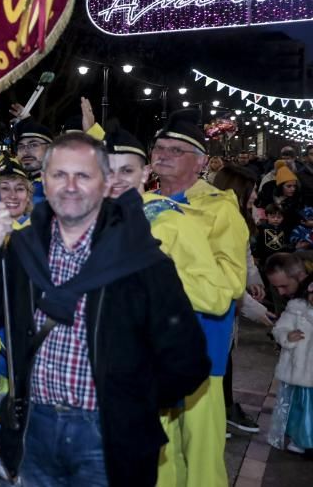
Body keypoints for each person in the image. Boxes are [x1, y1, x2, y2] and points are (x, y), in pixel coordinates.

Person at [0, 131, 210, 486]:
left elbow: (188, 360)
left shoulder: (141, 259)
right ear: (44, 183)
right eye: (59, 175)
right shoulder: (24, 248)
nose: (70, 186)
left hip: (108, 435)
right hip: (35, 427)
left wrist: (132, 403)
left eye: (83, 175)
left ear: (106, 182)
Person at [104, 126, 237, 486]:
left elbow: (223, 290)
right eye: (159, 147)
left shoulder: (200, 212)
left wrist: (156, 272)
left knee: (199, 455)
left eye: (176, 150)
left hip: (197, 344)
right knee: (156, 457)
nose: (164, 154)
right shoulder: (105, 218)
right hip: (133, 359)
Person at [269, 279, 313, 455]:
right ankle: (302, 441)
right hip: (299, 371)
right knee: (301, 408)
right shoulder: (296, 309)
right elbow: (279, 329)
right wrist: (288, 336)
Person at [12, 118, 53, 204]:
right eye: (21, 146)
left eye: (33, 145)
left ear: (50, 148)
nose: (25, 151)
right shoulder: (15, 182)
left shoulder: (59, 184)